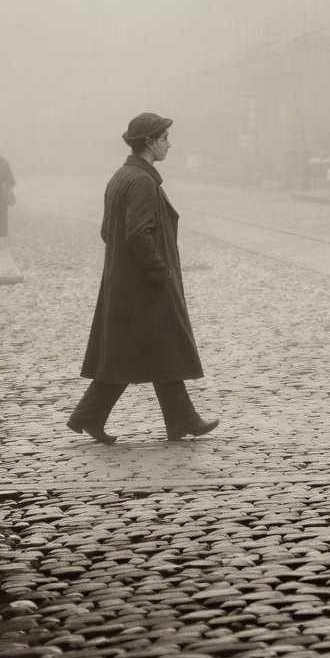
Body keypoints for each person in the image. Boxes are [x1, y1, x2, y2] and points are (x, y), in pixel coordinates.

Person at [69, 113, 217, 443]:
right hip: (145, 285)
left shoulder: (121, 176)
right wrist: (158, 269)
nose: (169, 144)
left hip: (128, 283)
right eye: (164, 138)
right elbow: (138, 233)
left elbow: (107, 232)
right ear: (149, 142)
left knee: (145, 350)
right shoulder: (141, 181)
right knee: (157, 346)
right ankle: (179, 420)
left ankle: (177, 420)